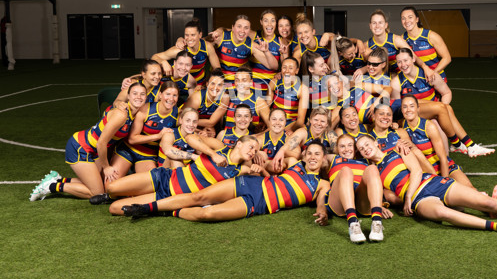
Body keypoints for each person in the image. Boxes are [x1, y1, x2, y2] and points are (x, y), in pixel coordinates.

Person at [355, 135, 497, 237]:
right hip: (421, 200)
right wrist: (386, 203)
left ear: (376, 143)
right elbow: (390, 197)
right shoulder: (372, 172)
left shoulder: (397, 151)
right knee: (445, 214)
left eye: (367, 144)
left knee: (486, 202)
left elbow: (417, 171)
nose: (365, 148)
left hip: (432, 183)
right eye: (361, 149)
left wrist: (407, 197)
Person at [117, 141, 330, 224]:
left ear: (324, 159)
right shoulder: (295, 164)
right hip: (250, 184)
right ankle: (145, 208)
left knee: (206, 213)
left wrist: (322, 211)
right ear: (303, 156)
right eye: (309, 153)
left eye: (317, 154)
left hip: (261, 204)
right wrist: (273, 156)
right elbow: (297, 139)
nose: (312, 157)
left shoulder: (322, 184)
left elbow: (322, 201)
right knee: (198, 197)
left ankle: (166, 210)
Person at [29, 82, 148, 201]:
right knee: (97, 192)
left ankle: (59, 179)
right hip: (81, 146)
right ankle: (52, 186)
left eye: (142, 94)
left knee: (102, 183)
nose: (139, 97)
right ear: (128, 96)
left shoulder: (133, 114)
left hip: (94, 149)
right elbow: (101, 142)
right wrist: (106, 167)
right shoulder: (121, 114)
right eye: (135, 93)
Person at [106, 135, 261, 214]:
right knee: (111, 188)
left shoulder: (241, 170)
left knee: (114, 209)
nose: (252, 151)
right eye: (251, 146)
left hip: (170, 197)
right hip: (165, 178)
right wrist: (212, 154)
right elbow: (190, 138)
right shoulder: (220, 148)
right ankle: (114, 195)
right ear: (239, 144)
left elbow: (260, 181)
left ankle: (130, 198)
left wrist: (258, 169)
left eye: (255, 150)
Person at [391, 48, 495, 157]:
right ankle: (459, 144)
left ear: (413, 59)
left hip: (433, 112)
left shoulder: (429, 74)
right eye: (399, 62)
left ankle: (463, 149)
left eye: (405, 60)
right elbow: (398, 109)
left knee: (445, 109)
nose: (403, 64)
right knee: (440, 109)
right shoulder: (396, 82)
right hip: (411, 115)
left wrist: (442, 108)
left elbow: (446, 93)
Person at [322, 134, 390, 243]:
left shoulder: (366, 160)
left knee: (372, 168)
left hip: (361, 200)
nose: (346, 149)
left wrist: (379, 204)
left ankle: (377, 222)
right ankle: (353, 224)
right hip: (339, 201)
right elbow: (314, 156)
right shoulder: (332, 158)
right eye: (342, 146)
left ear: (355, 148)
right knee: (346, 170)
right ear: (337, 149)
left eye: (350, 145)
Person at [400, 95, 475, 188]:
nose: (408, 110)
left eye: (412, 106)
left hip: (443, 166)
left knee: (470, 188)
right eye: (405, 107)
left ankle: (495, 198)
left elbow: (443, 158)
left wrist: (444, 181)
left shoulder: (429, 126)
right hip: (426, 170)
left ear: (418, 109)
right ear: (401, 110)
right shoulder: (402, 125)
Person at [110, 81, 179, 177]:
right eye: (168, 94)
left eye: (175, 95)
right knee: (110, 184)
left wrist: (202, 131)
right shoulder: (145, 110)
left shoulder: (177, 115)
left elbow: (187, 126)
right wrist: (158, 136)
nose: (171, 99)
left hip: (148, 155)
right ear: (160, 95)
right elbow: (132, 139)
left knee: (150, 185)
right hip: (128, 149)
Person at [362, 9, 435, 82]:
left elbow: (413, 56)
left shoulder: (396, 39)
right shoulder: (366, 45)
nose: (377, 26)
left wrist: (425, 68)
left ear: (386, 25)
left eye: (380, 22)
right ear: (370, 26)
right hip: (381, 79)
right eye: (374, 23)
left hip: (400, 77)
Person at [212, 15, 279, 85]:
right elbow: (203, 43)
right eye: (239, 26)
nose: (242, 31)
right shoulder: (220, 37)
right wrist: (219, 30)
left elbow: (274, 66)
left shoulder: (251, 45)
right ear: (233, 27)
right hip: (218, 84)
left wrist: (266, 51)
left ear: (249, 30)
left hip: (237, 86)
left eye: (246, 28)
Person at [151, 21, 220, 86]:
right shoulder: (179, 49)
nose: (189, 38)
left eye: (193, 35)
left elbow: (217, 68)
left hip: (199, 83)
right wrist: (163, 62)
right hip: (177, 83)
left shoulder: (207, 47)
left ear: (200, 35)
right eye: (187, 35)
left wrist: (211, 81)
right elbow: (154, 57)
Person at [273, 107, 338, 169]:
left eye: (322, 121)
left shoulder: (331, 134)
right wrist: (281, 151)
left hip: (321, 167)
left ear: (327, 124)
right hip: (303, 165)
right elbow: (288, 146)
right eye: (316, 120)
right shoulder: (303, 132)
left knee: (328, 159)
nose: (318, 123)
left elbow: (338, 151)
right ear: (311, 120)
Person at [400, 6, 451, 81]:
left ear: (417, 19)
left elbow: (447, 58)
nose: (407, 21)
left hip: (436, 78)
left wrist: (433, 73)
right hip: (416, 81)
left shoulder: (431, 36)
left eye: (410, 17)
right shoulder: (401, 39)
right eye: (403, 18)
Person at [250, 10, 288, 92]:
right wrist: (219, 31)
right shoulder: (254, 36)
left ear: (276, 23)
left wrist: (281, 72)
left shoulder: (281, 41)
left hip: (272, 84)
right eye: (265, 21)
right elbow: (235, 31)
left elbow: (285, 64)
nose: (269, 24)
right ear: (261, 22)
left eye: (273, 21)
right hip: (254, 85)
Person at [223, 65, 270, 130]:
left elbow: (271, 127)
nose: (240, 83)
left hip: (248, 139)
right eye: (237, 80)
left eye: (244, 80)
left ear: (251, 82)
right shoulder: (228, 97)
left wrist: (257, 137)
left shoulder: (259, 102)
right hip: (227, 139)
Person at [268, 57, 308, 130]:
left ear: (297, 71)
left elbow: (300, 120)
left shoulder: (302, 88)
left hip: (291, 123)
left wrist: (288, 130)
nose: (287, 71)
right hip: (275, 121)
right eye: (284, 67)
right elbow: (266, 107)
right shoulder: (275, 81)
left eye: (290, 68)